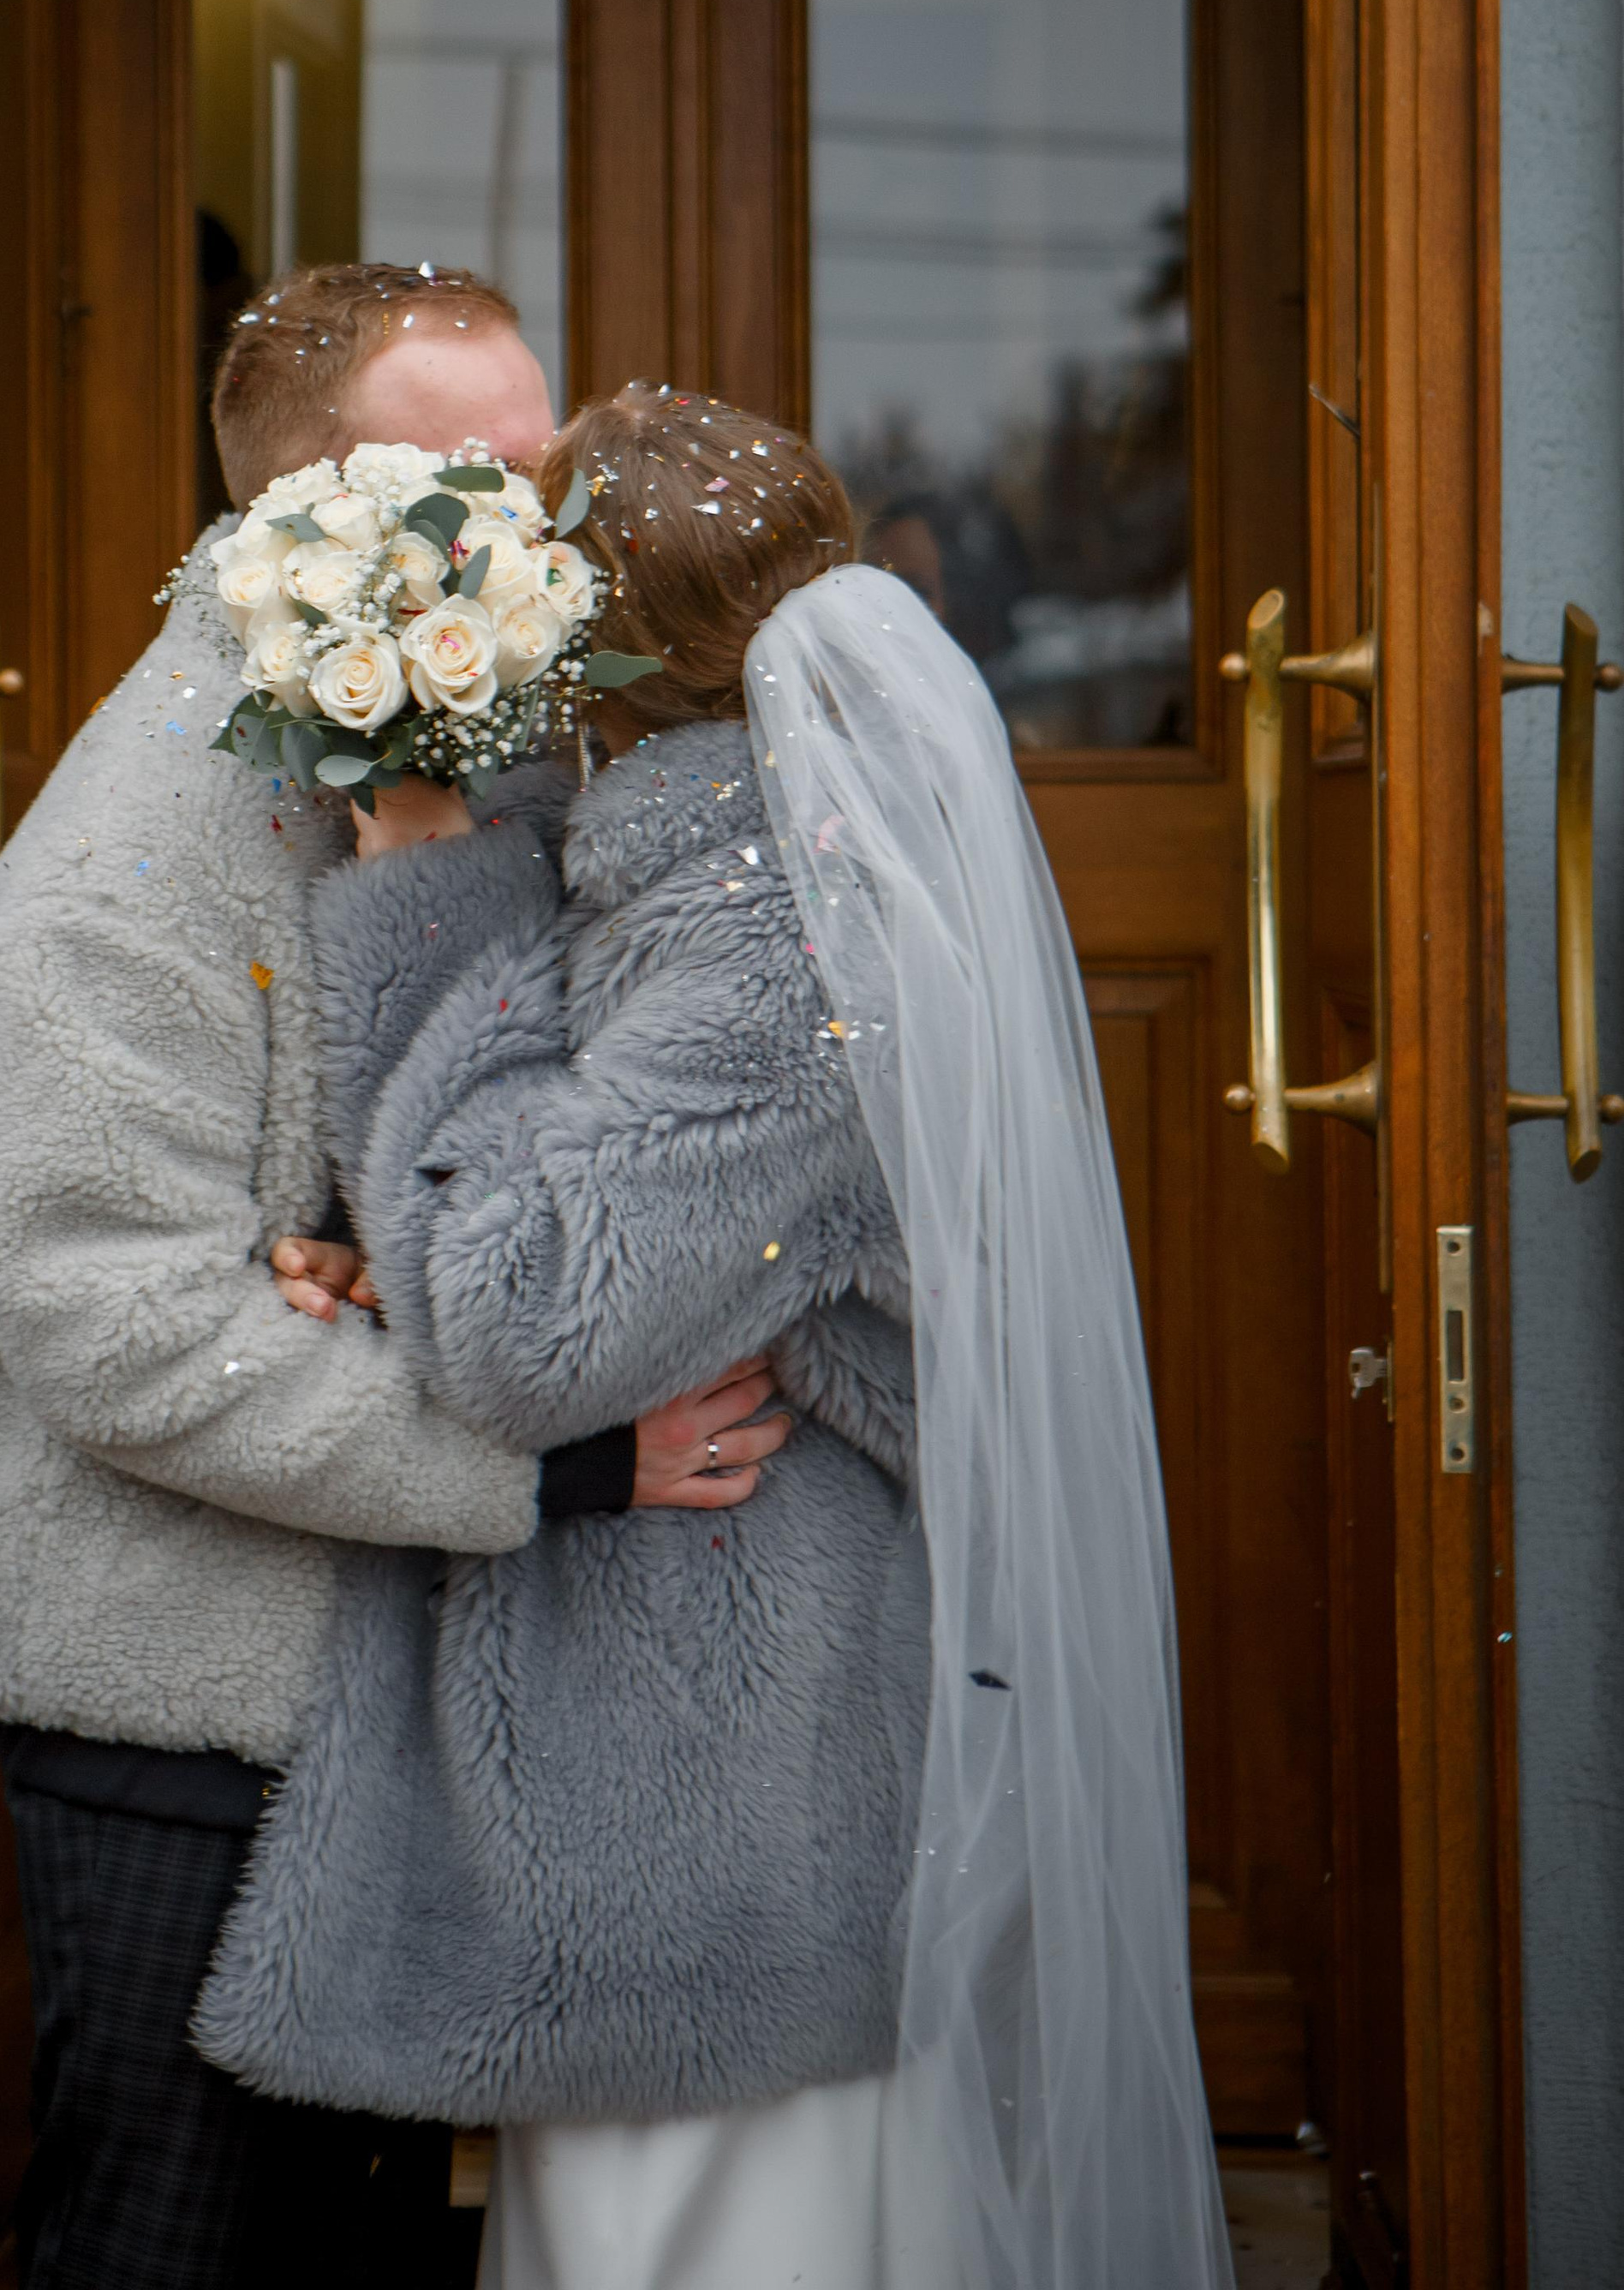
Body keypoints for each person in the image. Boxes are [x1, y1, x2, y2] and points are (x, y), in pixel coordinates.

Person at [199, 381, 1233, 2290]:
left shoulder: (777, 943)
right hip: (686, 1760)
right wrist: (402, 1239)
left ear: (582, 660)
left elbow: (527, 1320)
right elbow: (573, 1219)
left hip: (729, 1776)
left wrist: (423, 883)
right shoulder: (691, 875)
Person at [0, 275, 779, 2290]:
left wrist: (399, 1264)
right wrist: (557, 1465)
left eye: (546, 476)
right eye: (478, 483)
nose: (544, 534)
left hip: (379, 1687)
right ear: (301, 523)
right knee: (179, 2251)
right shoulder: (107, 890)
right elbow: (125, 1336)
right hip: (174, 1719)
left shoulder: (447, 769)